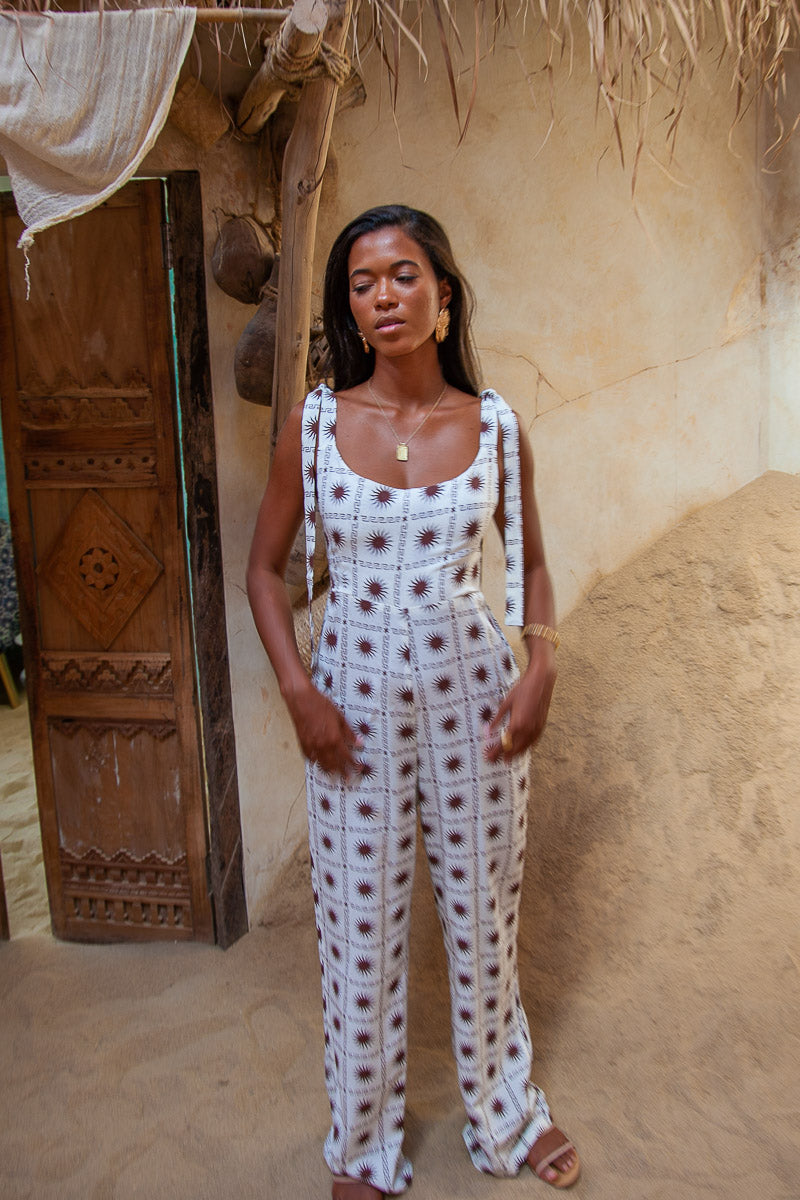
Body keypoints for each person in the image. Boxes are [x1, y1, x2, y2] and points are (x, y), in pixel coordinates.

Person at [247, 204, 580, 1198]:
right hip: (347, 705)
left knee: (483, 916)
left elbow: (531, 569)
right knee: (359, 927)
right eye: (361, 283)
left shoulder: (494, 427)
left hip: (474, 698)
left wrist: (540, 668)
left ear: (442, 295)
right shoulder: (314, 424)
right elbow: (264, 572)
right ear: (347, 308)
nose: (382, 297)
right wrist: (298, 691)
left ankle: (504, 1113)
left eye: (402, 276)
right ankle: (362, 1145)